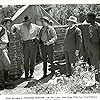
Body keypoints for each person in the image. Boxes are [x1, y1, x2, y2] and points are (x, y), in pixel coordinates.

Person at [11, 15, 40, 80]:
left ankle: (32, 73)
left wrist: (38, 37)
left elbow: (42, 29)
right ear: (25, 21)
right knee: (26, 59)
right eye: (27, 21)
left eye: (29, 21)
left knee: (32, 59)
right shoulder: (21, 25)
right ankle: (26, 74)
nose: (28, 22)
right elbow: (14, 26)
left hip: (33, 44)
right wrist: (14, 30)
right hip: (25, 44)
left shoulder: (35, 26)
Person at [0, 18, 12, 90]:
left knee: (1, 66)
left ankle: (2, 83)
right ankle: (6, 80)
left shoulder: (5, 30)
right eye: (8, 22)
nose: (9, 24)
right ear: (4, 23)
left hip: (4, 48)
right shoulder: (1, 28)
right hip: (1, 49)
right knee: (8, 64)